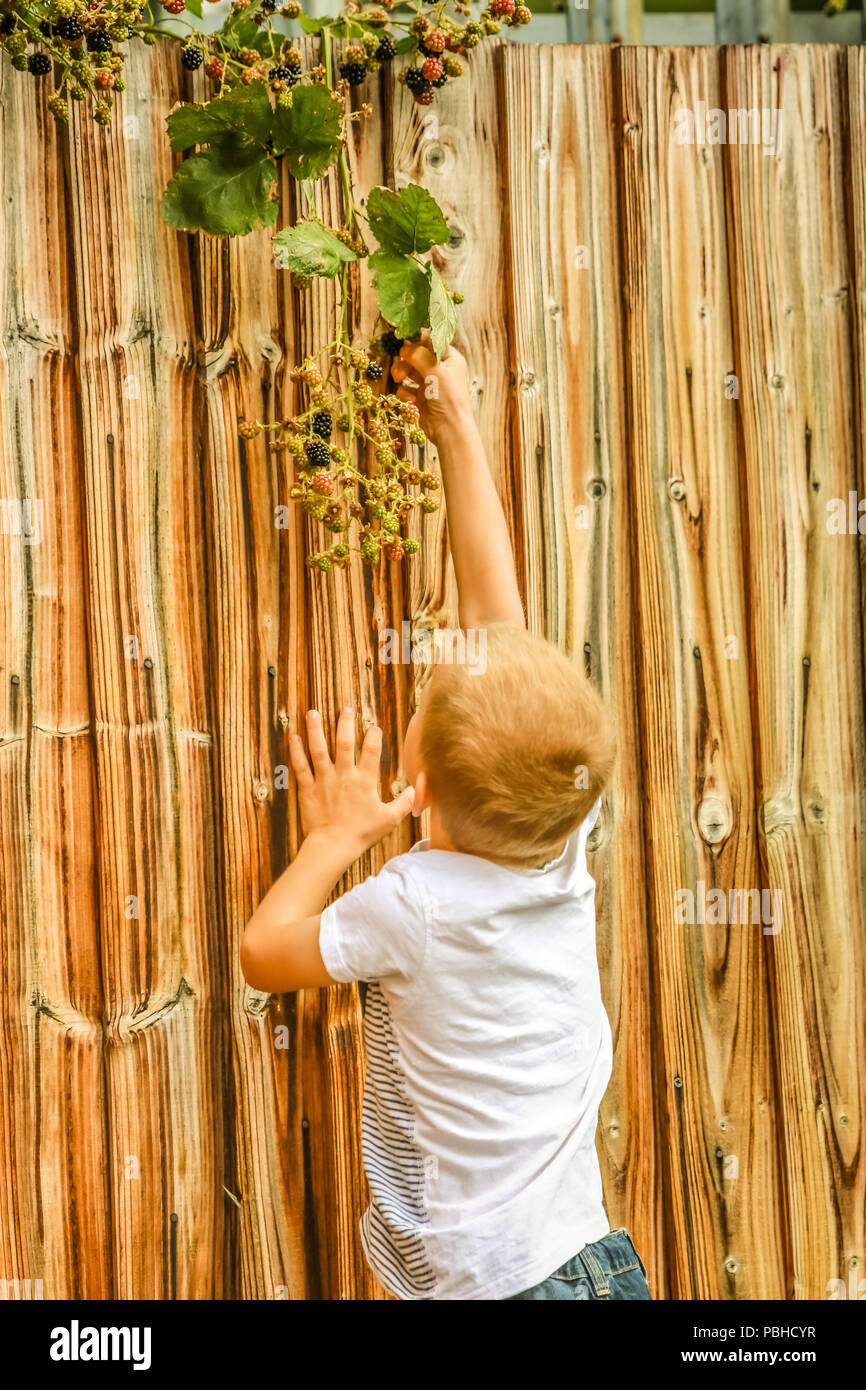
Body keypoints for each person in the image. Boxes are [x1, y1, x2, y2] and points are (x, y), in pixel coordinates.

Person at [240, 337, 652, 1302]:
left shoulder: (411, 902)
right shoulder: (557, 837)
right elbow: (497, 625)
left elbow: (265, 955)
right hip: (584, 1263)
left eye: (427, 693)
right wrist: (454, 426)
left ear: (417, 783)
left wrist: (334, 840)